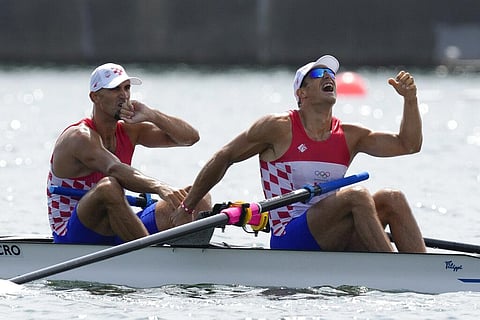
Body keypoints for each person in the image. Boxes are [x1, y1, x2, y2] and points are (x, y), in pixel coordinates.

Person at [174, 55, 426, 253]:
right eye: (318, 74)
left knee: (393, 198)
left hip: (331, 231)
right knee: (358, 195)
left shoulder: (349, 136)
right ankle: (392, 269)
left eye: (330, 74)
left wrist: (411, 100)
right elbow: (225, 156)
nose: (328, 76)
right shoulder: (278, 128)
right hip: (289, 234)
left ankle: (425, 274)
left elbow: (408, 145)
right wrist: (187, 207)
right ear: (301, 93)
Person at [47, 62, 211, 245]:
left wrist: (151, 115)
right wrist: (160, 187)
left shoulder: (129, 130)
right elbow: (115, 169)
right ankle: (148, 258)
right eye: (114, 89)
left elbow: (190, 138)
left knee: (198, 198)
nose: (124, 95)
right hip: (73, 231)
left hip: (114, 224)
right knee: (108, 187)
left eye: (126, 88)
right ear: (95, 97)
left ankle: (185, 260)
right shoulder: (79, 137)